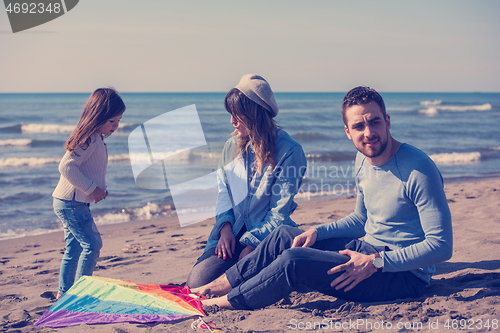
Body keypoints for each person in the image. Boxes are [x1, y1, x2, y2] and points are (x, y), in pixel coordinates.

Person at [191, 86, 453, 309]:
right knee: (285, 234)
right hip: (368, 252)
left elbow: (441, 245)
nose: (368, 133)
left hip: (402, 275)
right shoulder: (363, 158)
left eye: (374, 122)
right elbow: (362, 220)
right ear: (348, 132)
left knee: (294, 261)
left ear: (387, 121)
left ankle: (221, 302)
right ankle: (216, 286)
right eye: (358, 126)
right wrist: (317, 232)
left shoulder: (419, 169)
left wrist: (376, 262)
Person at [186, 74, 307, 288]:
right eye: (231, 114)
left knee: (246, 276)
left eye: (238, 115)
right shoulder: (230, 147)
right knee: (197, 282)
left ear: (256, 114)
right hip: (233, 231)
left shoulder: (290, 151)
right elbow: (224, 192)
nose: (232, 121)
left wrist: (251, 245)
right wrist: (224, 230)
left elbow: (278, 213)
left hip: (268, 236)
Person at [52, 88, 126, 299]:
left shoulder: (95, 137)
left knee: (74, 247)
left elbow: (85, 167)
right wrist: (92, 189)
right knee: (93, 245)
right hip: (71, 202)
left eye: (118, 120)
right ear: (98, 116)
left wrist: (97, 188)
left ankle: (64, 293)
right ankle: (80, 294)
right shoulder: (89, 139)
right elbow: (66, 166)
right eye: (112, 121)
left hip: (69, 201)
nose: (116, 126)